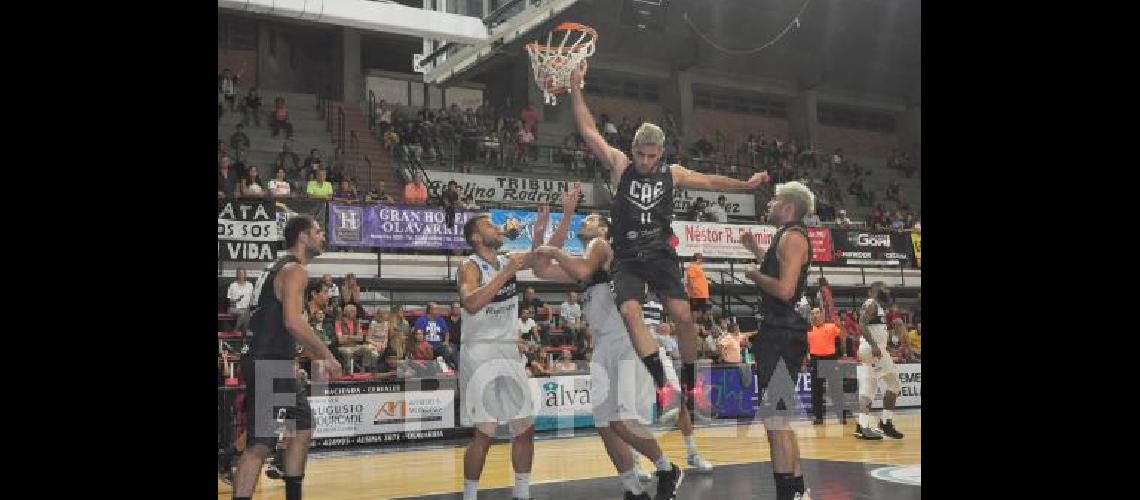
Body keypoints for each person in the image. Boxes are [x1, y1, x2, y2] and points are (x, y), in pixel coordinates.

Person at [567, 63, 771, 427]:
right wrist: (574, 87)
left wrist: (745, 185)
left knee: (682, 318)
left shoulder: (671, 173)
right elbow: (588, 130)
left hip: (660, 254)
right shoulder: (619, 165)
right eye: (641, 154)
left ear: (660, 153)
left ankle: (691, 388)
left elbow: (708, 180)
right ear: (633, 149)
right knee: (631, 314)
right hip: (628, 257)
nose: (645, 162)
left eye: (651, 156)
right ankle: (665, 387)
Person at [530, 187, 684, 500]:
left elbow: (576, 266)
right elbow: (540, 268)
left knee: (623, 422)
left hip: (627, 341)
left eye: (589, 218)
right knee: (604, 423)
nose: (584, 223)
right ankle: (632, 487)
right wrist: (551, 227)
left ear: (604, 229)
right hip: (603, 345)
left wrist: (551, 247)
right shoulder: (586, 258)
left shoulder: (603, 246)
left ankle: (667, 468)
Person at [231, 215, 342, 500]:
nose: (323, 237)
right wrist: (327, 355)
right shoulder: (295, 270)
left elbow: (263, 319)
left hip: (269, 358)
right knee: (260, 444)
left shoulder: (276, 267)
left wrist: (289, 355)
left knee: (302, 425)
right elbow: (292, 321)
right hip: (268, 361)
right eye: (318, 232)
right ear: (303, 237)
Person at [740, 180, 817, 500]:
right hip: (781, 332)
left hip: (782, 333)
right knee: (779, 419)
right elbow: (785, 273)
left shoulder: (793, 237)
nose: (769, 204)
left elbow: (785, 290)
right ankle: (798, 491)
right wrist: (757, 252)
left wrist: (754, 274)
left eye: (774, 200)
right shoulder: (787, 238)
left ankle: (788, 494)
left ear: (787, 207)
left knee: (776, 420)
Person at [456, 213, 538, 500]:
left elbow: (543, 255)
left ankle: (522, 493)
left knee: (525, 428)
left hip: (507, 350)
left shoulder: (508, 258)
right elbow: (472, 303)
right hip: (479, 352)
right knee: (485, 433)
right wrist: (505, 273)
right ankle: (469, 495)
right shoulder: (469, 265)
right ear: (476, 237)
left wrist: (548, 221)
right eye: (489, 224)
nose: (496, 227)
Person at [854, 282, 906, 440]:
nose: (888, 291)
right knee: (894, 385)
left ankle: (862, 426)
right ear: (876, 290)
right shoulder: (871, 303)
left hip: (873, 350)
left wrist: (890, 344)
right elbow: (861, 323)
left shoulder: (879, 308)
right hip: (873, 350)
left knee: (868, 390)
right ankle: (885, 422)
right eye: (885, 288)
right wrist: (874, 345)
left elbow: (876, 331)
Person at [807, 308, 845, 425]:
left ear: (822, 315)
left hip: (830, 359)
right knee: (816, 390)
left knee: (835, 389)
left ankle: (840, 415)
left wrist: (841, 325)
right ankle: (818, 417)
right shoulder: (808, 330)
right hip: (815, 360)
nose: (815, 315)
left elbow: (843, 335)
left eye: (817, 313)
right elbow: (805, 347)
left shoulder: (831, 326)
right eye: (812, 314)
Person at [226, 268, 254, 334]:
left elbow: (252, 299)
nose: (241, 275)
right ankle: (241, 329)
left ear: (245, 275)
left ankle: (237, 330)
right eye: (239, 273)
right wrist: (237, 299)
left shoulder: (250, 285)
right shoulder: (232, 285)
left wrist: (251, 308)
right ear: (237, 275)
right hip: (234, 308)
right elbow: (230, 301)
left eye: (242, 273)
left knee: (246, 313)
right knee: (245, 313)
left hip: (246, 309)